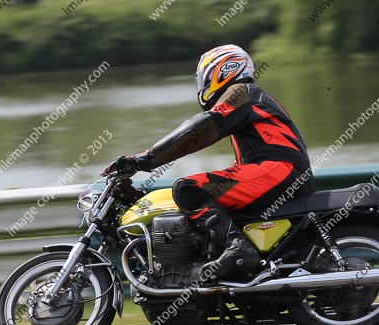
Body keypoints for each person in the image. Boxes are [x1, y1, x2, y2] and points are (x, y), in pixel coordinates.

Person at [102, 44, 314, 281]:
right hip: (277, 173)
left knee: (188, 188)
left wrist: (145, 159)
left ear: (222, 70)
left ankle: (237, 248)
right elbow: (201, 135)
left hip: (278, 170)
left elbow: (202, 126)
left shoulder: (242, 91)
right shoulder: (247, 98)